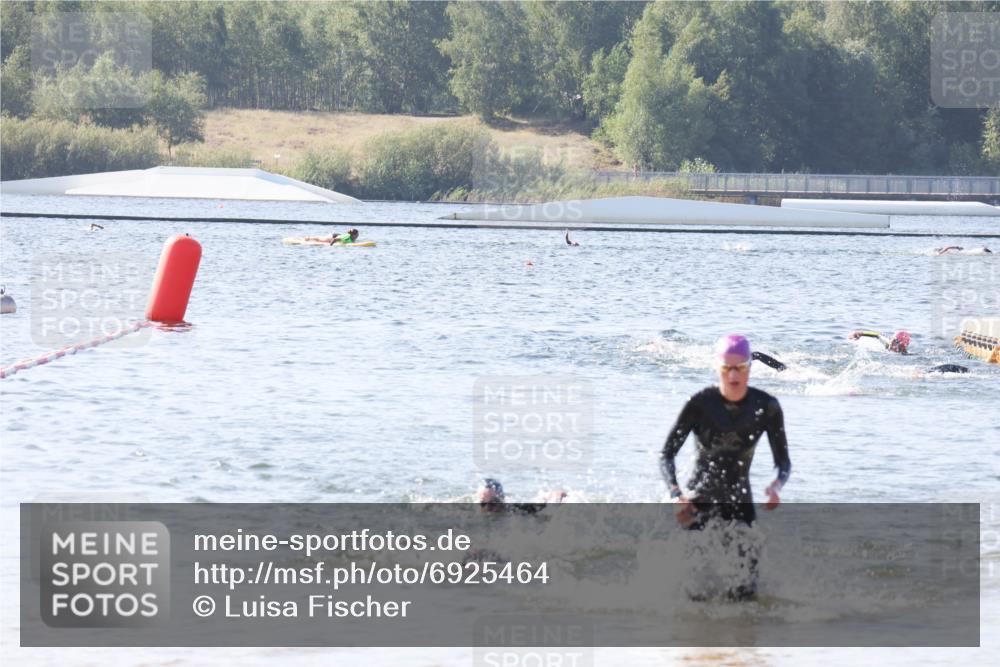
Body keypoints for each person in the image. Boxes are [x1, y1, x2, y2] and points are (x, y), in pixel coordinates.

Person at [476, 478, 566, 515]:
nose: (488, 508)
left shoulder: (517, 510)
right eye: (483, 503)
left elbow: (557, 494)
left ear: (502, 499)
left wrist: (554, 498)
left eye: (493, 503)